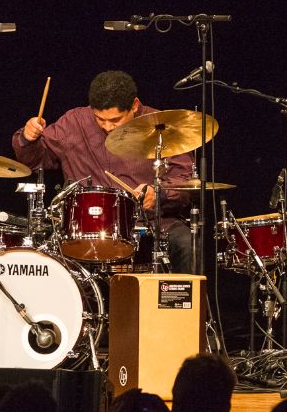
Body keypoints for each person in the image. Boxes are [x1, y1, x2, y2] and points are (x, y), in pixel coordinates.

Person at [13, 70, 198, 272]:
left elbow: (185, 180)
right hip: (87, 228)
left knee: (187, 244)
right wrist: (28, 138)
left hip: (152, 225)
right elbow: (37, 161)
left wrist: (159, 193)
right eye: (100, 119)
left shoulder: (162, 126)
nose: (108, 127)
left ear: (134, 106)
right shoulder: (75, 122)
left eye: (115, 120)